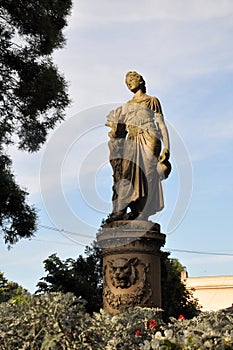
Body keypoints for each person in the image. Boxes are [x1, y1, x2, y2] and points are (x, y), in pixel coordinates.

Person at [106, 71, 171, 222]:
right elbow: (117, 124)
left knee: (148, 173)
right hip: (132, 139)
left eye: (131, 80)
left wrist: (167, 147)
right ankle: (131, 208)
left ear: (140, 81)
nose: (128, 83)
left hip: (149, 136)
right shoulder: (127, 106)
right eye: (126, 82)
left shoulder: (152, 100)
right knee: (127, 173)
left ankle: (144, 212)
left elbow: (161, 124)